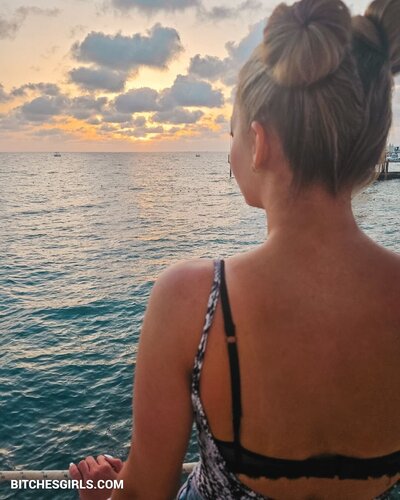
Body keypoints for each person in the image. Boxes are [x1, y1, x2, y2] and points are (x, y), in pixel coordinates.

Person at [69, 0, 400, 497]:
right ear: (370, 150)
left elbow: (142, 494)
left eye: (231, 133)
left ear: (259, 142)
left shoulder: (189, 300)